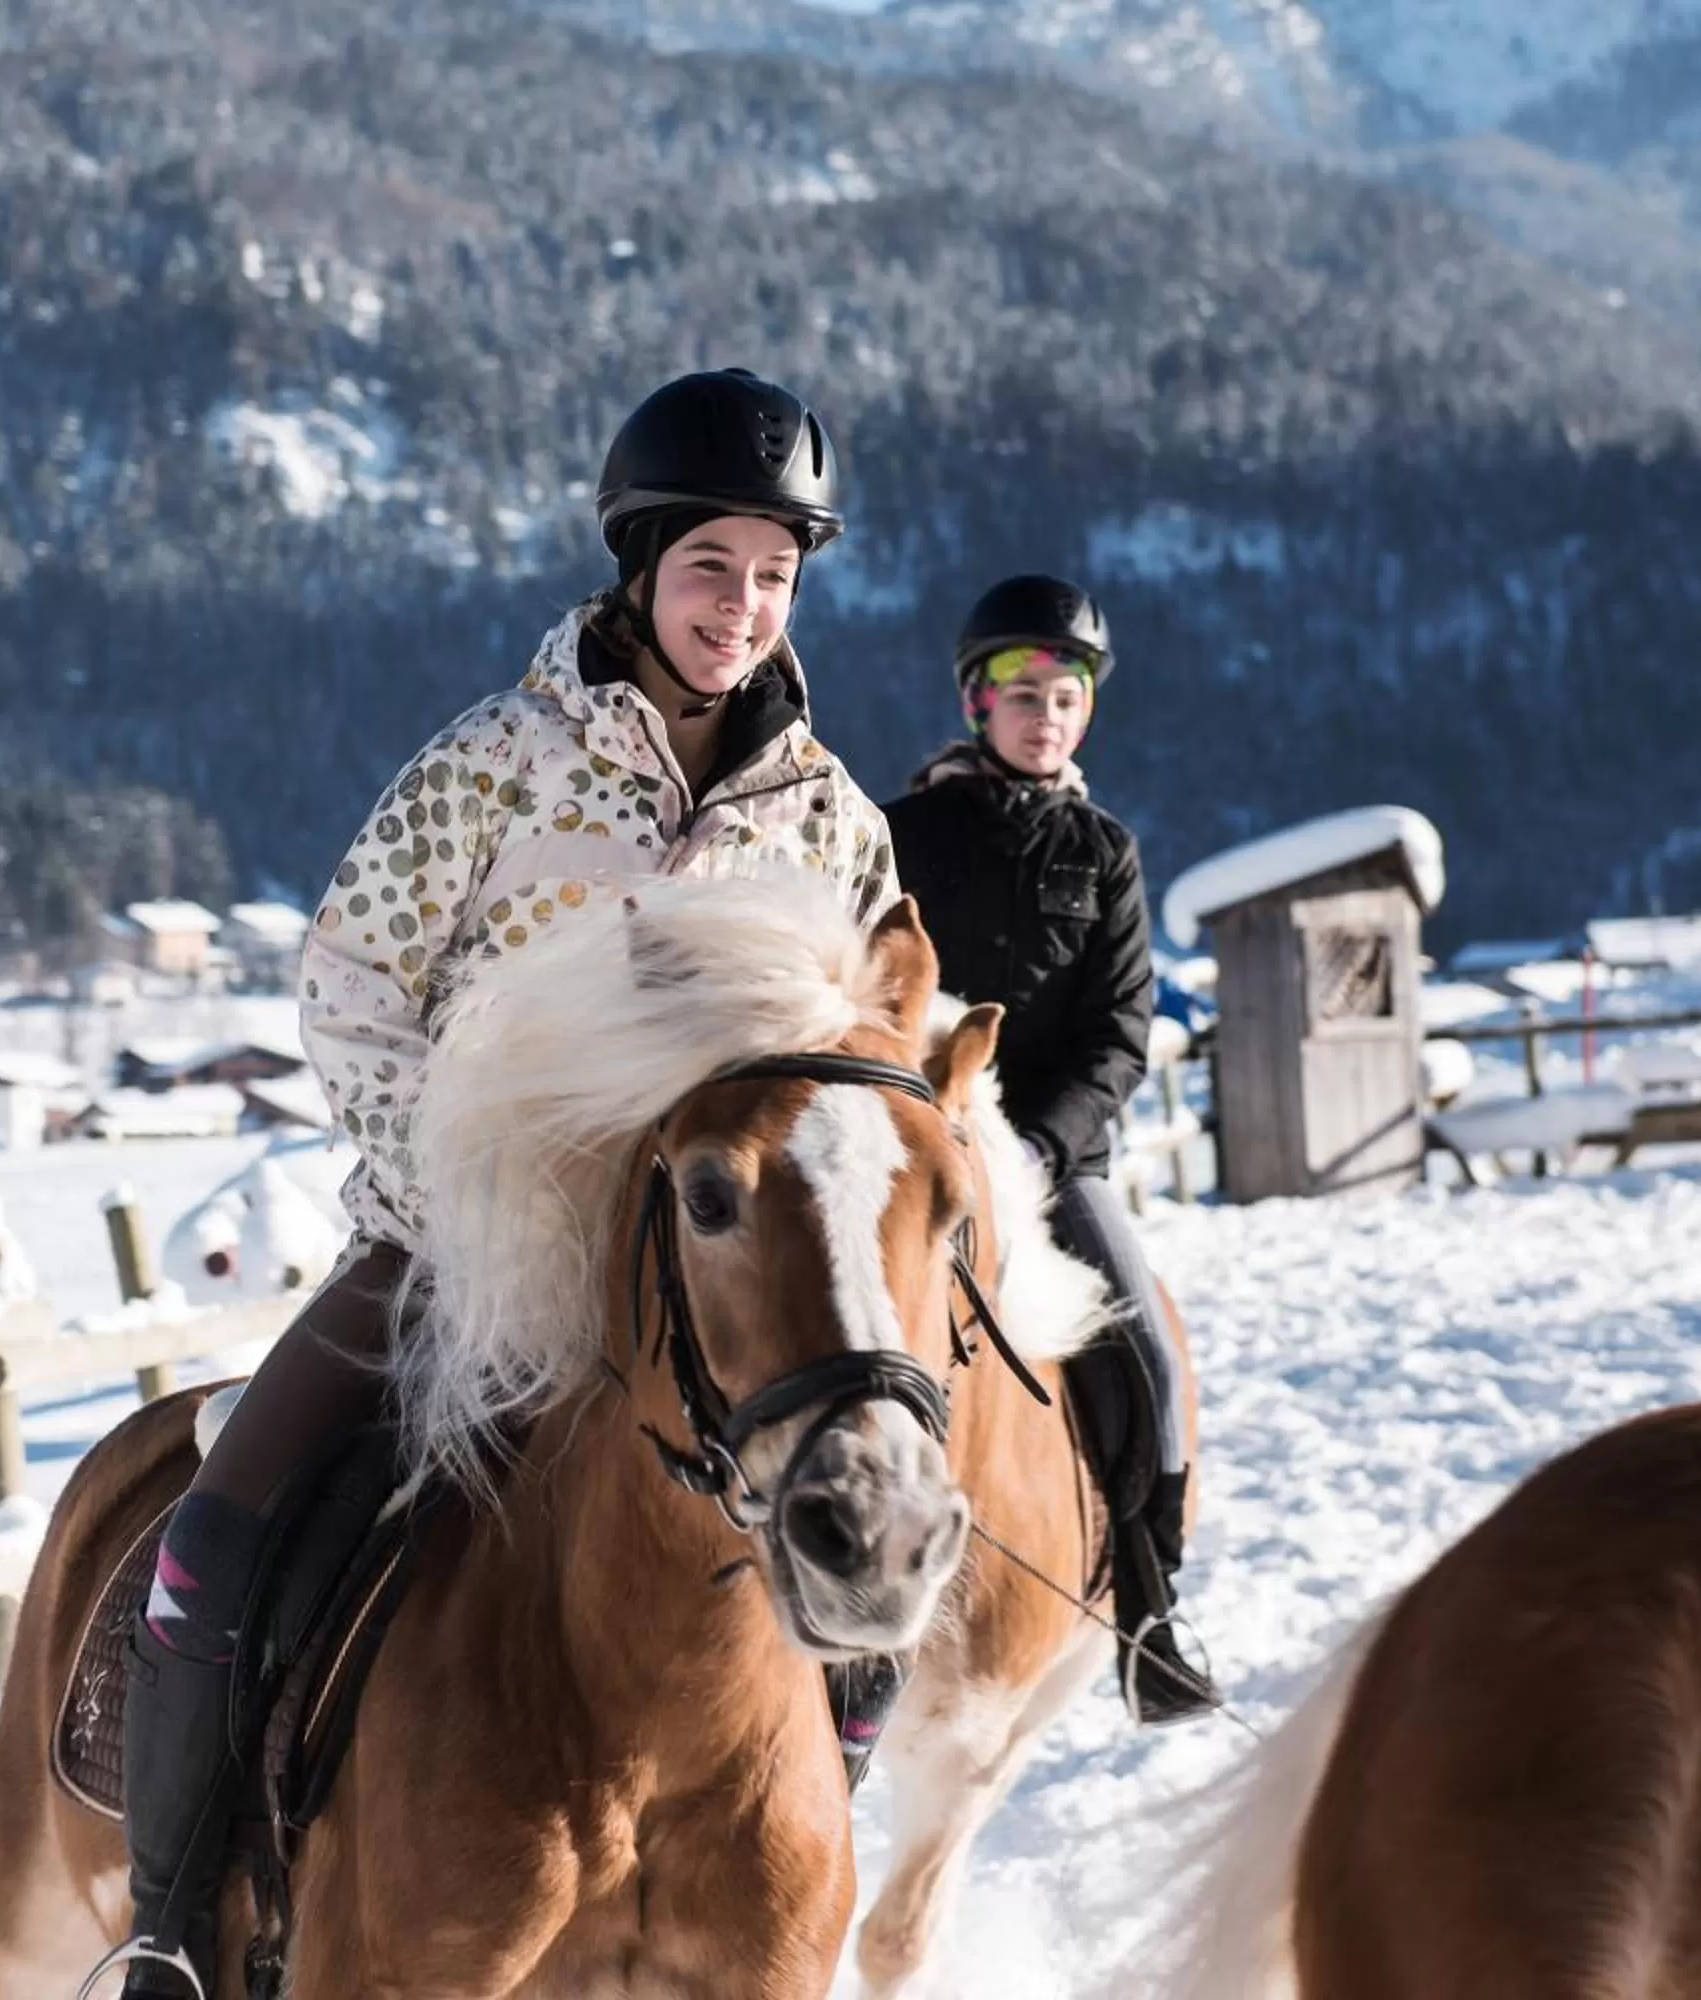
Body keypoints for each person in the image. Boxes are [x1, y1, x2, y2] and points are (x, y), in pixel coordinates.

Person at [111, 369, 901, 1998]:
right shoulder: (493, 762)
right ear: (639, 562)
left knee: (873, 1559)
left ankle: (795, 1866)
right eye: (710, 569)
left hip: (721, 1283)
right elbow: (347, 986)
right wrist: (473, 1205)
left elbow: (881, 1063)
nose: (739, 608)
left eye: (773, 576)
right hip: (449, 1260)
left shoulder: (832, 826)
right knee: (218, 1539)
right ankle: (174, 1932)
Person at [880, 573, 1221, 1727]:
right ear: (977, 703)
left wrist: (1033, 1146)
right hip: (916, 1136)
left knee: (1149, 1359)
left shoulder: (1105, 852)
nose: (1046, 713)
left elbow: (1122, 1031)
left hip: (1049, 1158)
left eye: (1065, 694)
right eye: (1023, 692)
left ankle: (1150, 1603)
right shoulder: (903, 832)